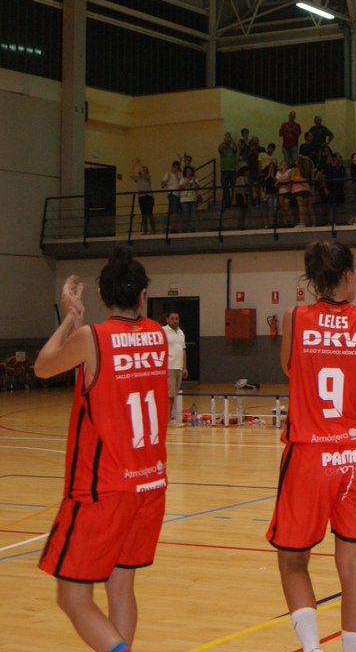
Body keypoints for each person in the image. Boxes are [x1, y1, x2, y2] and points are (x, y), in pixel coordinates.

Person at [33, 248, 168, 652]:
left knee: (72, 597)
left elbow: (42, 366)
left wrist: (72, 318)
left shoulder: (92, 337)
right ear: (143, 296)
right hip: (149, 485)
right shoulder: (159, 335)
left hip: (102, 489)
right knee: (121, 587)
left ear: (104, 297)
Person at [268, 240, 356, 652]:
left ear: (313, 281)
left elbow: (287, 367)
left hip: (310, 454)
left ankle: (313, 649)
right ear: (348, 278)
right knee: (353, 566)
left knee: (293, 561)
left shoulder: (295, 318)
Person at [164, 311, 186, 426]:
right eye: (172, 318)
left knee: (174, 394)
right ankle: (167, 420)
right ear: (167, 320)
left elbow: (183, 350)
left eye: (177, 318)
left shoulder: (181, 333)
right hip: (169, 367)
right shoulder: (163, 331)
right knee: (169, 395)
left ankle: (170, 417)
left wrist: (184, 367)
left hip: (178, 368)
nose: (175, 321)